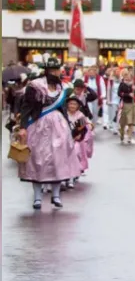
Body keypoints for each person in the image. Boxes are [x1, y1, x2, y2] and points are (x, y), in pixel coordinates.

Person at [17, 57, 83, 209]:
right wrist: (22, 127)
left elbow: (63, 109)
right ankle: (37, 198)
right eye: (55, 70)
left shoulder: (61, 87)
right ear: (48, 71)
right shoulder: (35, 86)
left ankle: (56, 195)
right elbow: (26, 106)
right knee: (37, 160)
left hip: (58, 127)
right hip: (38, 125)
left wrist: (70, 126)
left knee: (58, 160)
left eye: (58, 70)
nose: (58, 73)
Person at [65, 95, 94, 188]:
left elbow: (82, 129)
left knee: (76, 153)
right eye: (70, 104)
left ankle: (72, 177)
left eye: (74, 104)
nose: (72, 106)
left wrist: (78, 135)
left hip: (77, 139)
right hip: (64, 139)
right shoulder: (63, 115)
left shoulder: (80, 116)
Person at [117, 70, 135, 144]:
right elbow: (119, 93)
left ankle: (129, 136)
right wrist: (128, 94)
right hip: (124, 104)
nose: (128, 78)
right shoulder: (122, 84)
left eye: (129, 76)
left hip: (132, 104)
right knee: (123, 122)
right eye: (126, 76)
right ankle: (122, 133)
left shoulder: (133, 84)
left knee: (131, 122)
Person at [104, 67, 121, 133]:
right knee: (114, 113)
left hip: (119, 99)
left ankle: (117, 125)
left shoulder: (121, 79)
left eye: (119, 71)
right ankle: (114, 127)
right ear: (114, 72)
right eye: (116, 71)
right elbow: (108, 89)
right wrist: (108, 99)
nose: (118, 73)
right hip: (113, 99)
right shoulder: (111, 80)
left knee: (119, 114)